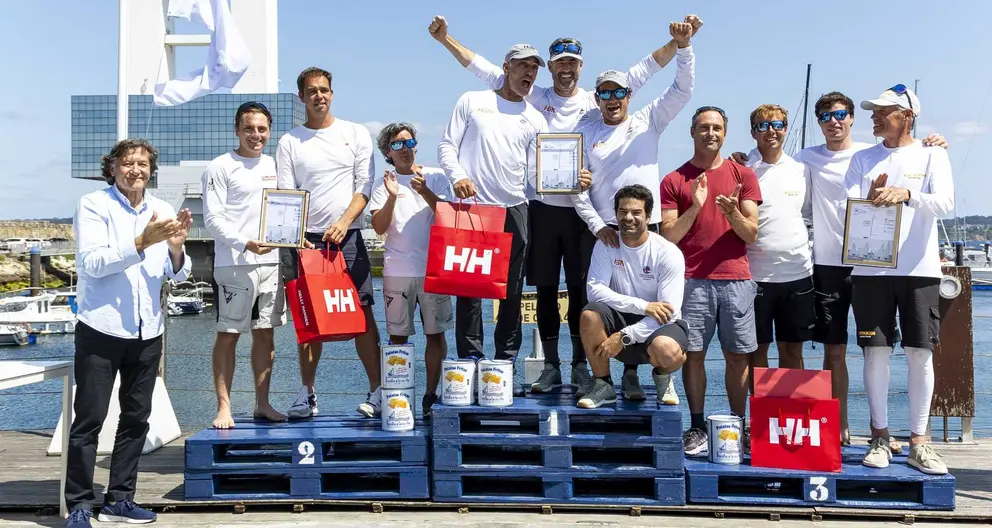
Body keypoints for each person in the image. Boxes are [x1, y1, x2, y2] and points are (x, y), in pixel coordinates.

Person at [427, 14, 698, 396]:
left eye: (572, 63)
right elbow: (485, 69)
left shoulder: (596, 99)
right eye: (559, 64)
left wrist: (680, 43)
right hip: (541, 206)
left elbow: (645, 69)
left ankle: (583, 366)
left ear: (580, 67)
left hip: (584, 214)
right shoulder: (534, 98)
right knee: (544, 290)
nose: (566, 69)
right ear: (550, 69)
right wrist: (446, 40)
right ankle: (550, 365)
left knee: (582, 291)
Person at [732, 92, 948, 448]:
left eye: (841, 114)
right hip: (826, 266)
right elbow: (769, 158)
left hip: (872, 268)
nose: (834, 122)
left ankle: (869, 428)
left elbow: (911, 159)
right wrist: (741, 157)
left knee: (874, 350)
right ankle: (835, 427)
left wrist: (933, 142)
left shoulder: (871, 152)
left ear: (851, 118)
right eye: (826, 117)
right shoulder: (805, 160)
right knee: (833, 350)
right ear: (818, 123)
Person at [66, 139, 192, 527]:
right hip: (101, 328)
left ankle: (120, 500)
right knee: (89, 420)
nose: (135, 169)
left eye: (142, 163)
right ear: (113, 168)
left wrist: (175, 249)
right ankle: (80, 505)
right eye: (127, 163)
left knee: (137, 419)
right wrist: (142, 241)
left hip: (147, 329)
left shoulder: (163, 209)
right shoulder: (93, 205)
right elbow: (92, 262)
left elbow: (177, 274)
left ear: (151, 168)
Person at [573, 18, 697, 400]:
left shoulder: (649, 119)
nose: (612, 100)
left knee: (654, 301)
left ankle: (653, 373)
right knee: (595, 306)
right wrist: (597, 226)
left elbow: (682, 89)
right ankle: (607, 381)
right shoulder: (585, 132)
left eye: (619, 93)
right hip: (605, 231)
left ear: (630, 95)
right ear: (596, 98)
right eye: (604, 94)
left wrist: (684, 49)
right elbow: (575, 190)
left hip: (645, 224)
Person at [845, 85, 953, 475]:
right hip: (870, 270)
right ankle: (878, 435)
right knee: (875, 353)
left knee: (919, 353)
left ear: (907, 116)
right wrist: (871, 196)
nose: (875, 116)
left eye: (884, 111)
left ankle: (919, 442)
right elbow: (850, 207)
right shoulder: (862, 157)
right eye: (873, 111)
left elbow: (945, 202)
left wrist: (906, 192)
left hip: (920, 269)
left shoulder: (932, 153)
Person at [437, 43, 550, 395]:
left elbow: (538, 172)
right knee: (469, 293)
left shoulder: (536, 118)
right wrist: (457, 177)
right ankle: (470, 363)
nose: (529, 73)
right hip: (473, 208)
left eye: (534, 68)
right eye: (522, 67)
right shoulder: (472, 100)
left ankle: (504, 365)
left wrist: (570, 178)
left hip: (516, 209)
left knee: (511, 293)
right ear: (506, 67)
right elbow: (445, 147)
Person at [276, 67, 382, 418]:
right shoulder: (289, 141)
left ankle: (377, 390)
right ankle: (307, 394)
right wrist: (297, 239)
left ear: (332, 93)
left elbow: (363, 186)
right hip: (305, 243)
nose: (318, 96)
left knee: (362, 313)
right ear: (302, 98)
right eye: (311, 91)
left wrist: (344, 221)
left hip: (347, 237)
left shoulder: (355, 133)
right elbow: (287, 195)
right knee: (309, 317)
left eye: (324, 90)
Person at [660, 106, 761, 456]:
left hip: (736, 280)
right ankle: (698, 426)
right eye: (703, 127)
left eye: (717, 127)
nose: (710, 133)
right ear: (692, 132)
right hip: (692, 280)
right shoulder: (674, 180)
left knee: (738, 358)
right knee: (694, 356)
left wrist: (732, 212)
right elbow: (669, 235)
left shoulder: (743, 175)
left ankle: (738, 424)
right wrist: (696, 206)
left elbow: (751, 234)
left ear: (725, 133)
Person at [201, 101, 288, 429]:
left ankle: (262, 403)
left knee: (266, 335)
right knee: (229, 334)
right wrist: (245, 242)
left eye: (262, 129)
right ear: (237, 130)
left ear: (269, 131)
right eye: (249, 128)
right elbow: (212, 219)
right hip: (233, 263)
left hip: (271, 262)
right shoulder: (219, 167)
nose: (256, 134)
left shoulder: (276, 166)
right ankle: (224, 407)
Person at [369, 122, 454, 416]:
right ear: (387, 152)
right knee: (397, 338)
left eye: (409, 142)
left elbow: (450, 216)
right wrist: (393, 195)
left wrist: (426, 191)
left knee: (435, 333)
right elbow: (379, 227)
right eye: (397, 145)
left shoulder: (436, 177)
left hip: (433, 270)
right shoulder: (383, 184)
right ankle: (398, 397)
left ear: (417, 145)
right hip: (396, 270)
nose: (404, 149)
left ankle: (431, 395)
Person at [578, 184, 688, 408]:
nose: (628, 217)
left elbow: (669, 311)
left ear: (648, 216)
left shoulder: (667, 252)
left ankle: (662, 377)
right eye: (623, 211)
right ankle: (603, 384)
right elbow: (595, 291)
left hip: (658, 326)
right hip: (625, 317)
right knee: (589, 315)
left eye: (636, 212)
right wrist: (643, 306)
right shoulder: (605, 244)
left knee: (668, 352)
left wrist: (625, 336)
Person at [742, 104, 814, 376]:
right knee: (757, 350)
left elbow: (806, 212)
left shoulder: (801, 169)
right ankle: (760, 416)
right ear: (753, 132)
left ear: (786, 128)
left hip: (797, 274)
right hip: (754, 277)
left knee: (793, 350)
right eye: (763, 126)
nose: (771, 131)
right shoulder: (742, 167)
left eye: (777, 125)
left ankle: (790, 415)